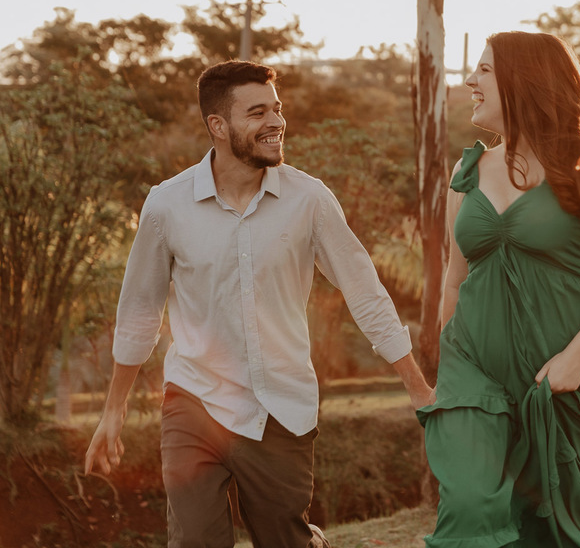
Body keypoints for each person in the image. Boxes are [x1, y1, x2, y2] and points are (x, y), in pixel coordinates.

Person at [85, 60, 434, 548]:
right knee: (195, 542)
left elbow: (364, 290)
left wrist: (416, 387)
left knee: (283, 539)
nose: (275, 122)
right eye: (257, 113)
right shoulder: (167, 205)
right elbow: (140, 311)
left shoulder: (309, 200)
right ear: (218, 126)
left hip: (281, 407)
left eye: (277, 109)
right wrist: (113, 410)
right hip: (194, 401)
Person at [418, 31, 580, 547]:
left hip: (556, 374)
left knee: (548, 526)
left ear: (522, 80)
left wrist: (576, 356)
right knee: (469, 507)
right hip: (472, 368)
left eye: (483, 71)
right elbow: (455, 281)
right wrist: (449, 371)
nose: (469, 81)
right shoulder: (467, 172)